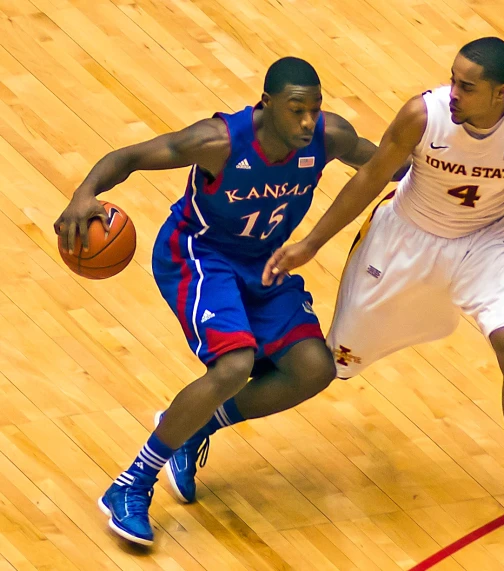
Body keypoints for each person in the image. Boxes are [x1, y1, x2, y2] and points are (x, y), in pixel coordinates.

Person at [54, 57, 406, 546]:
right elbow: (131, 156)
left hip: (264, 262)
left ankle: (194, 427)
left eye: (314, 109)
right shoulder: (218, 142)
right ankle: (131, 484)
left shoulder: (331, 137)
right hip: (200, 255)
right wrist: (83, 193)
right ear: (267, 106)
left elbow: (393, 165)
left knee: (314, 368)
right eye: (296, 109)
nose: (307, 121)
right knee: (234, 363)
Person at [262, 37, 504, 548]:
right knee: (331, 366)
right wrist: (310, 242)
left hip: (486, 243)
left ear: (501, 93)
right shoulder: (424, 115)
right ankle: (204, 415)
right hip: (406, 241)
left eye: (467, 86)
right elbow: (372, 176)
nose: (454, 91)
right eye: (453, 79)